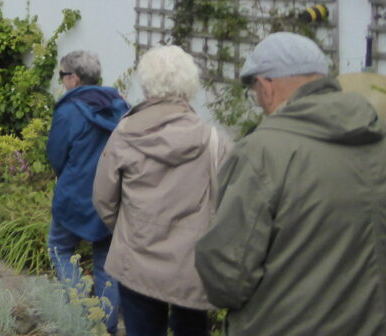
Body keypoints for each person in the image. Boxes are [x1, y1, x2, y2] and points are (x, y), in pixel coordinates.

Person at [195, 32, 386, 336]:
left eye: (255, 92)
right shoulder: (376, 140)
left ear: (266, 86)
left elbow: (227, 278)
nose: (258, 102)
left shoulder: (262, 153)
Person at [93, 45, 229, 336]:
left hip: (137, 261)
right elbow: (228, 206)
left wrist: (129, 231)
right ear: (190, 84)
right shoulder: (214, 142)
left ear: (146, 83)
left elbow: (104, 199)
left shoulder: (125, 133)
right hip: (192, 266)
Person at [47, 50, 129, 334]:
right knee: (107, 263)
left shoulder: (69, 110)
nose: (62, 82)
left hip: (75, 198)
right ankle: (105, 326)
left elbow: (56, 156)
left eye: (62, 76)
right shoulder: (121, 106)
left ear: (75, 78)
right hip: (113, 200)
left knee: (59, 247)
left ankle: (82, 317)